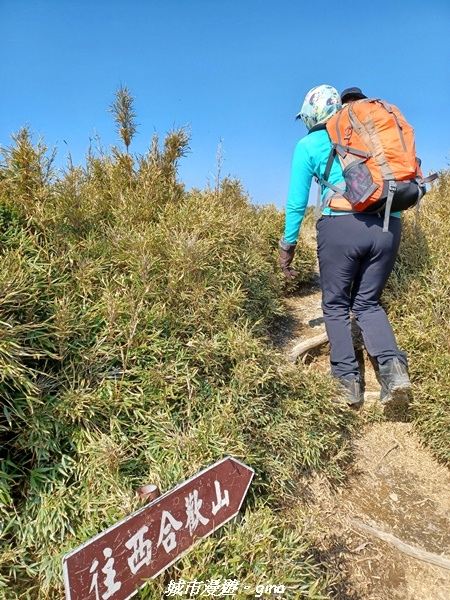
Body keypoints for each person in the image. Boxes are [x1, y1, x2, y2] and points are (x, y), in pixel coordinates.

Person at [279, 84, 411, 407]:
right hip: (388, 224)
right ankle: (394, 373)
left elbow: (296, 203)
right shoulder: (363, 133)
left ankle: (347, 384)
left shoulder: (308, 144)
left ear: (311, 114)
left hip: (341, 225)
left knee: (336, 305)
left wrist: (288, 246)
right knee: (367, 303)